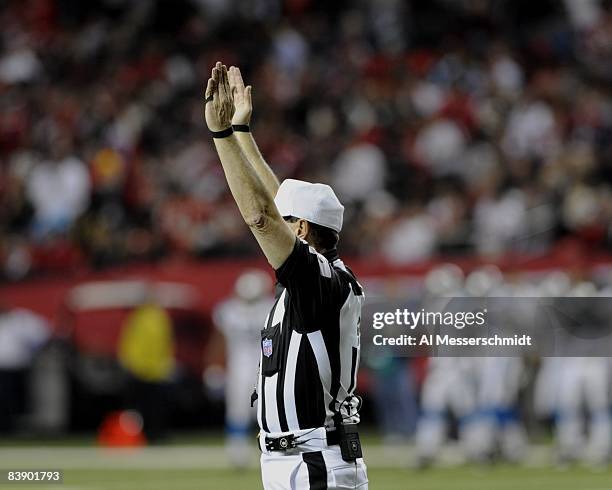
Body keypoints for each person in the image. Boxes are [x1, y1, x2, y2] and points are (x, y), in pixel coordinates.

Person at [204, 62, 368, 489]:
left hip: (315, 463)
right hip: (295, 459)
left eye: (288, 221)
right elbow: (277, 206)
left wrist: (220, 136)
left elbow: (261, 215)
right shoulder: (319, 274)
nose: (280, 225)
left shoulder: (321, 282)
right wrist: (243, 133)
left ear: (300, 230)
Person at [213, 269, 274, 468]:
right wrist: (215, 365)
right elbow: (219, 340)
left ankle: (258, 450)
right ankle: (239, 452)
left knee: (263, 413)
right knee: (240, 412)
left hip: (259, 369)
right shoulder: (229, 310)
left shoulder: (268, 308)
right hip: (246, 368)